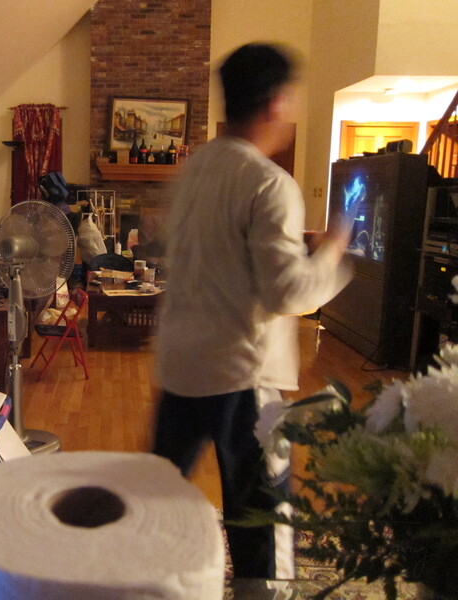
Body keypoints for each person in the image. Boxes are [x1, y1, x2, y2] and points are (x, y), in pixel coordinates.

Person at [151, 43, 352, 579]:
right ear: (276, 103)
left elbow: (217, 251)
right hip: (243, 376)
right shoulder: (270, 183)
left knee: (153, 505)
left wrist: (290, 240)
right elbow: (289, 294)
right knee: (263, 523)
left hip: (179, 367)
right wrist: (332, 248)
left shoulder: (193, 169)